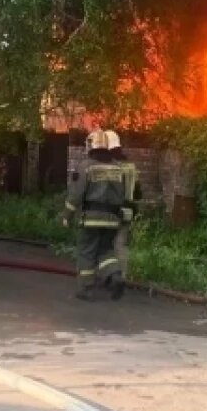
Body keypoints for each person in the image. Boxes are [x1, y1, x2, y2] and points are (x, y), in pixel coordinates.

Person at [63, 129, 126, 301]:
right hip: (113, 219)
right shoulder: (118, 169)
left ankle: (85, 289)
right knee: (105, 250)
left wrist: (66, 215)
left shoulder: (86, 167)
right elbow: (123, 195)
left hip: (91, 218)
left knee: (86, 252)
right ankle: (115, 275)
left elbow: (76, 195)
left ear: (91, 145)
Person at [105, 130, 140, 280]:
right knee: (121, 244)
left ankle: (109, 276)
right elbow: (138, 192)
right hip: (128, 210)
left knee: (106, 245)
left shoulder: (108, 166)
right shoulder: (130, 166)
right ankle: (122, 276)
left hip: (110, 211)